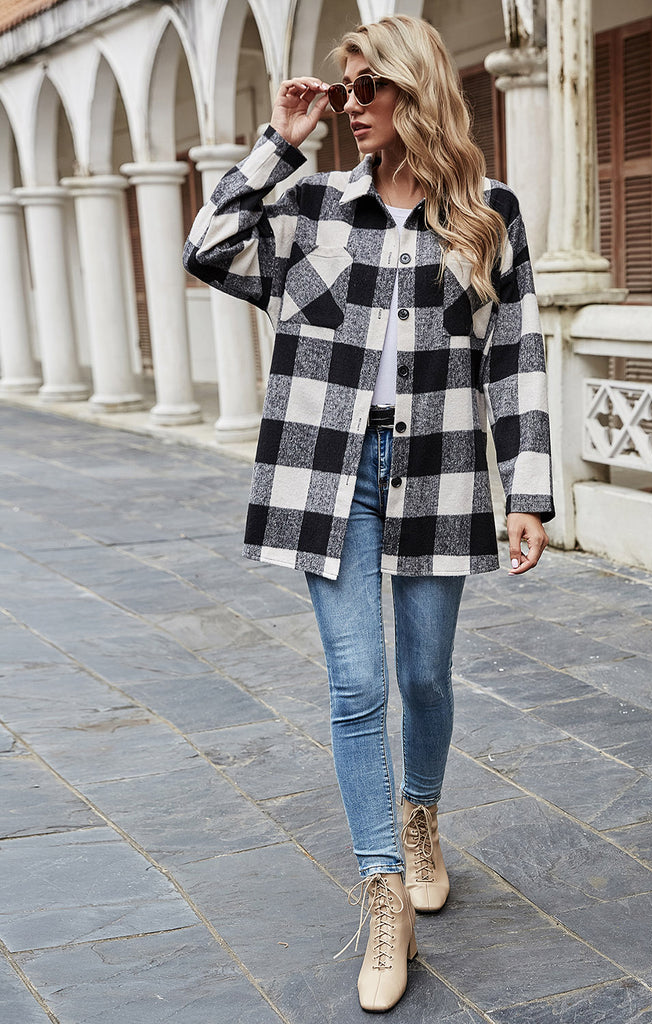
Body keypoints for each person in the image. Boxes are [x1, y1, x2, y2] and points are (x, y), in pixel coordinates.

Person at [183, 14, 554, 1012]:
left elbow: (515, 357)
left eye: (365, 88)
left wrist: (528, 491)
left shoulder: (488, 213)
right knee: (357, 686)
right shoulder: (311, 207)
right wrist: (280, 139)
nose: (349, 105)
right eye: (342, 89)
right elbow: (208, 247)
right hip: (329, 473)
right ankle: (384, 892)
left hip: (438, 466)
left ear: (412, 89)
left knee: (424, 677)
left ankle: (421, 815)